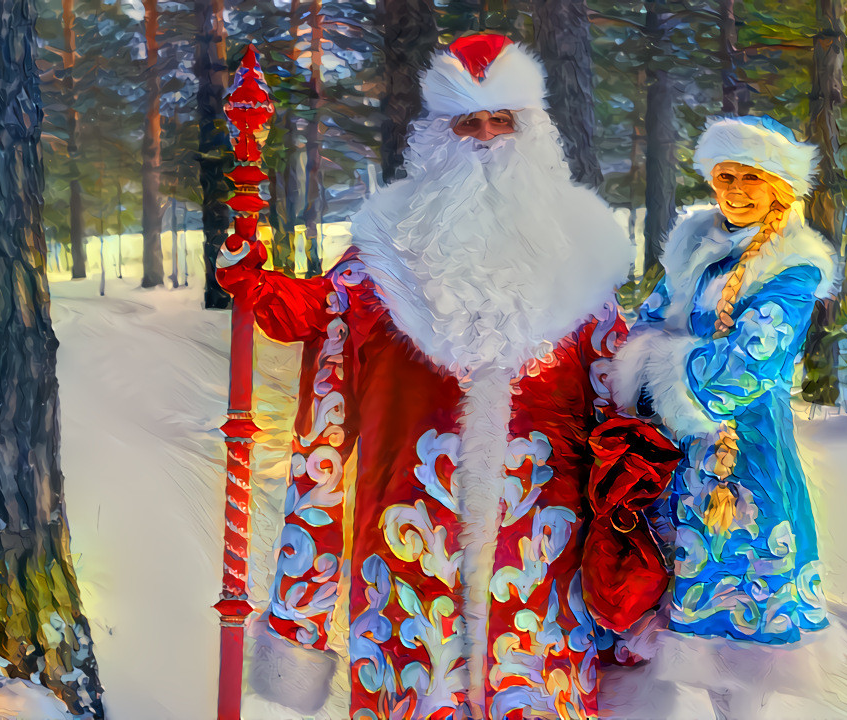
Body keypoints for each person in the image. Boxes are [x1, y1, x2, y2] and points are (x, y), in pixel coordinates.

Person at [218, 34, 681, 720]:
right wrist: (260, 285)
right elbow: (326, 340)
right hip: (408, 558)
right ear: (441, 133)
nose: (486, 139)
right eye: (469, 122)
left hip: (544, 566)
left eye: (503, 121)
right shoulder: (382, 254)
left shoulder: (581, 258)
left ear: (532, 131)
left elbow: (624, 408)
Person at [611, 116, 839, 716]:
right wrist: (651, 363)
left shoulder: (793, 267)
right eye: (724, 176)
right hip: (672, 465)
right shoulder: (695, 244)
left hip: (746, 467)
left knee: (742, 632)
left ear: (779, 186)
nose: (734, 190)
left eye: (749, 178)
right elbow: (649, 320)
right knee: (672, 620)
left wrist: (662, 370)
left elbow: (747, 369)